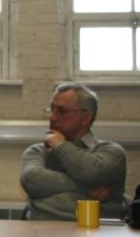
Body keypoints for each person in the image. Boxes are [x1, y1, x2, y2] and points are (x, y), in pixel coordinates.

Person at [20, 81, 127, 220]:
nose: (52, 117)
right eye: (51, 109)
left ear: (86, 117)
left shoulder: (111, 152)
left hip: (96, 235)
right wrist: (87, 189)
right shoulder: (38, 151)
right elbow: (31, 180)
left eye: (62, 111)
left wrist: (60, 146)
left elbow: (89, 173)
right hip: (42, 232)